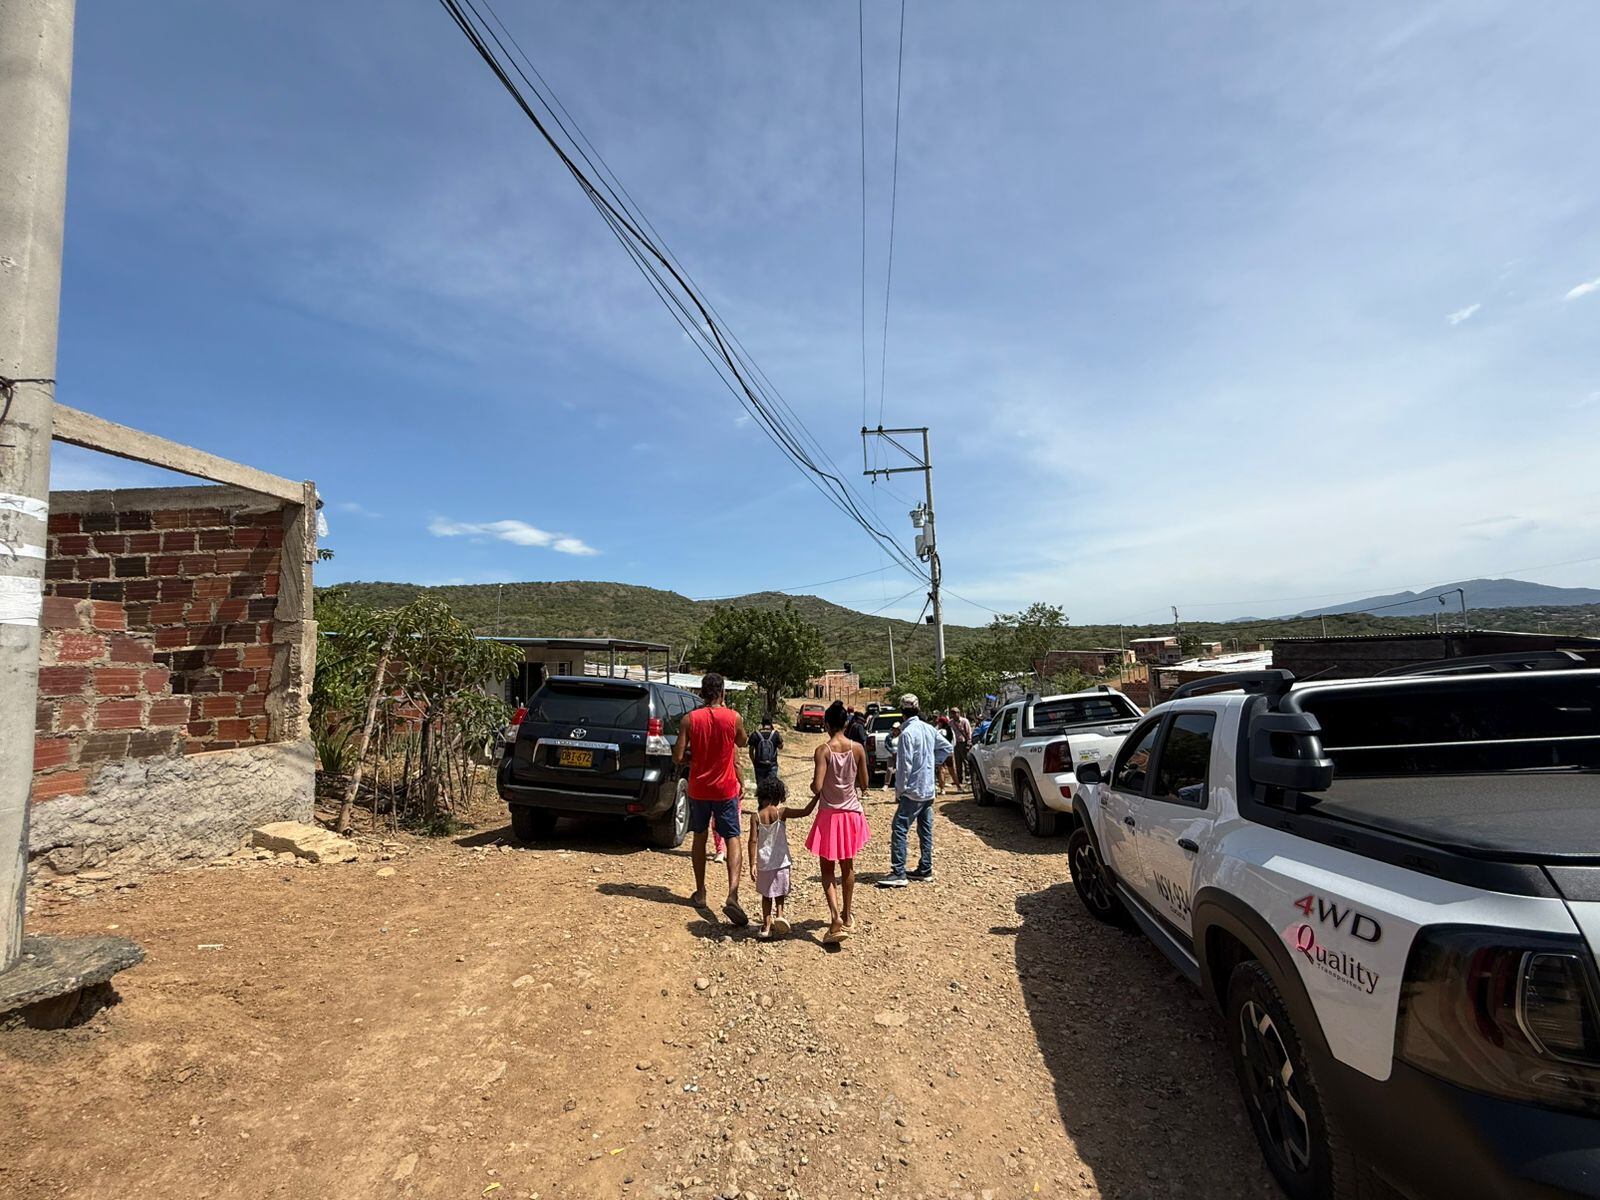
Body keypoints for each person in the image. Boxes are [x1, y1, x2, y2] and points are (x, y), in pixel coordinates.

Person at [672, 672, 749, 926]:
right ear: (723, 693)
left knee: (700, 836)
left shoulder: (689, 720)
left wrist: (693, 760)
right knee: (733, 837)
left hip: (699, 788)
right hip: (725, 788)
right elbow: (742, 741)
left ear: (701, 693)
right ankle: (732, 894)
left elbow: (678, 756)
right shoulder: (733, 717)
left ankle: (701, 892)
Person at [807, 700, 871, 944]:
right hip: (852, 814)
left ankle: (834, 918)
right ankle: (847, 914)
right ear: (846, 723)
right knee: (848, 867)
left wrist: (815, 786)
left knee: (827, 870)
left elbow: (817, 786)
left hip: (829, 815)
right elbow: (864, 784)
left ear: (826, 725)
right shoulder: (857, 749)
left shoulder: (823, 750)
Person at [877, 693, 951, 889]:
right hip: (928, 788)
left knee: (900, 828)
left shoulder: (906, 734)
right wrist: (932, 763)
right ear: (917, 709)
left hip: (913, 790)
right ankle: (925, 868)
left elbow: (905, 766)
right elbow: (947, 747)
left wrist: (899, 791)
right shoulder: (928, 729)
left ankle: (899, 872)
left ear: (902, 712)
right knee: (925, 829)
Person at [746, 773, 817, 939]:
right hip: (781, 860)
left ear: (762, 795)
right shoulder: (782, 812)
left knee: (766, 895)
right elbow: (806, 812)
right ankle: (780, 916)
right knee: (779, 892)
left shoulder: (755, 817)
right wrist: (817, 797)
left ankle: (766, 925)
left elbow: (752, 841)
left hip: (764, 862)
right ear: (778, 795)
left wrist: (752, 864)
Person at [748, 714, 784, 784]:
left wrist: (754, 762)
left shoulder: (755, 734)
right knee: (771, 786)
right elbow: (781, 747)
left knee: (761, 787)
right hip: (772, 765)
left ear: (762, 723)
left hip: (759, 765)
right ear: (771, 723)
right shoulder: (775, 734)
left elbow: (751, 751)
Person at [948, 706, 973, 789]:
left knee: (965, 761)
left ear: (959, 713)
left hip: (963, 743)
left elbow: (968, 732)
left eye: (955, 713)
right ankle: (959, 778)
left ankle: (968, 777)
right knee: (957, 762)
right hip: (955, 744)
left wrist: (969, 743)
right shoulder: (950, 722)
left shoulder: (964, 721)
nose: (954, 714)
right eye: (953, 713)